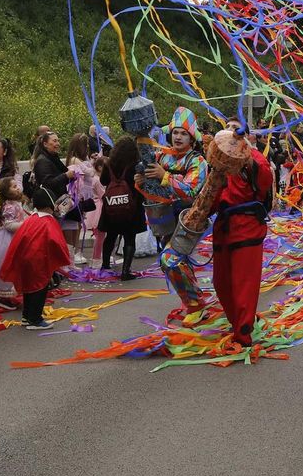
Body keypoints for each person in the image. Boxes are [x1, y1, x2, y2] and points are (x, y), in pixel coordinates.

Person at [208, 127, 274, 348]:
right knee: (221, 282)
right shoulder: (219, 163)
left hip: (247, 227)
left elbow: (264, 184)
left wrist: (247, 161)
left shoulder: (256, 162)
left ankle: (243, 332)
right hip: (224, 228)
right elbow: (212, 196)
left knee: (243, 284)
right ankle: (237, 322)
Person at [144, 108, 209, 319]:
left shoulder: (197, 161)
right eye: (175, 132)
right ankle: (192, 302)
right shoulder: (162, 155)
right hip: (164, 218)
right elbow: (151, 183)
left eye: (183, 133)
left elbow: (191, 190)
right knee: (177, 263)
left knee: (170, 260)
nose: (178, 137)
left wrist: (164, 176)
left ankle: (196, 305)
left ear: (191, 137)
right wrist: (142, 181)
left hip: (189, 220)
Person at [2, 186, 72, 329]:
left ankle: (27, 317)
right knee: (39, 290)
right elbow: (56, 242)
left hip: (25, 259)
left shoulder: (31, 219)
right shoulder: (48, 221)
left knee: (29, 289)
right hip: (38, 261)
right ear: (50, 205)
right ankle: (35, 319)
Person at [98, 137, 147, 280]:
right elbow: (139, 185)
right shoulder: (136, 166)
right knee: (129, 238)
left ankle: (105, 265)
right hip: (131, 207)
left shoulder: (109, 164)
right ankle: (126, 270)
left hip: (112, 206)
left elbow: (103, 181)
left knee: (110, 236)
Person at [0, 177, 27, 308]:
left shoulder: (15, 204)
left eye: (17, 185)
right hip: (6, 240)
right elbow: (9, 225)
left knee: (15, 266)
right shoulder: (8, 207)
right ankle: (4, 296)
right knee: (5, 265)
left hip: (14, 238)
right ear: (6, 192)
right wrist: (26, 224)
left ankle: (9, 294)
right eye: (13, 186)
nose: (18, 188)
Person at [62, 132, 98, 266]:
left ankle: (77, 250)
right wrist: (91, 163)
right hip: (75, 194)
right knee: (75, 224)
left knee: (79, 224)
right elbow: (88, 172)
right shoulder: (74, 159)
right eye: (86, 145)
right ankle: (74, 251)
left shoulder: (82, 159)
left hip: (84, 194)